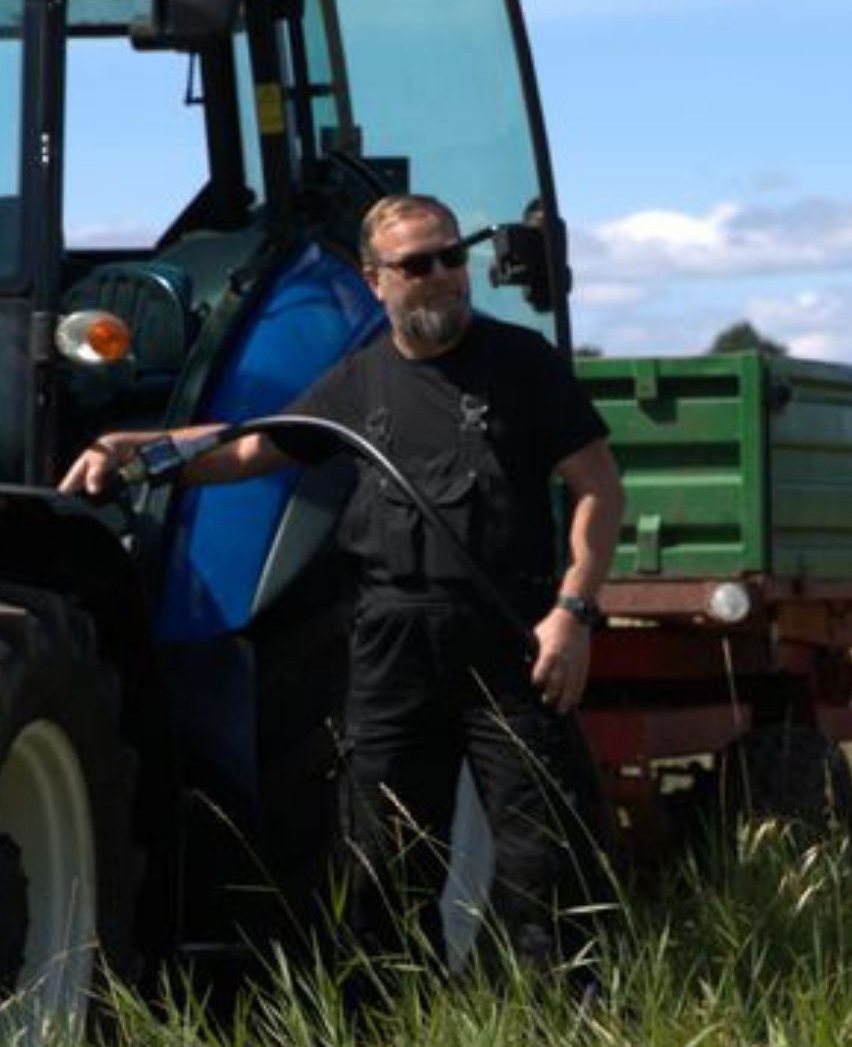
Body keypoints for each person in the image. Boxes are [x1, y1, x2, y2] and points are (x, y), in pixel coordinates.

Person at [62, 193, 626, 983]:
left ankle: (565, 1027)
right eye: (416, 265)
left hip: (511, 636)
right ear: (375, 281)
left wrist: (573, 613)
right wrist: (136, 447)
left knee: (544, 851)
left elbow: (599, 487)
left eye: (450, 257)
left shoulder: (522, 363)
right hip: (392, 637)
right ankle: (395, 1034)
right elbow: (254, 448)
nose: (440, 277)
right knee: (384, 853)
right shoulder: (359, 381)